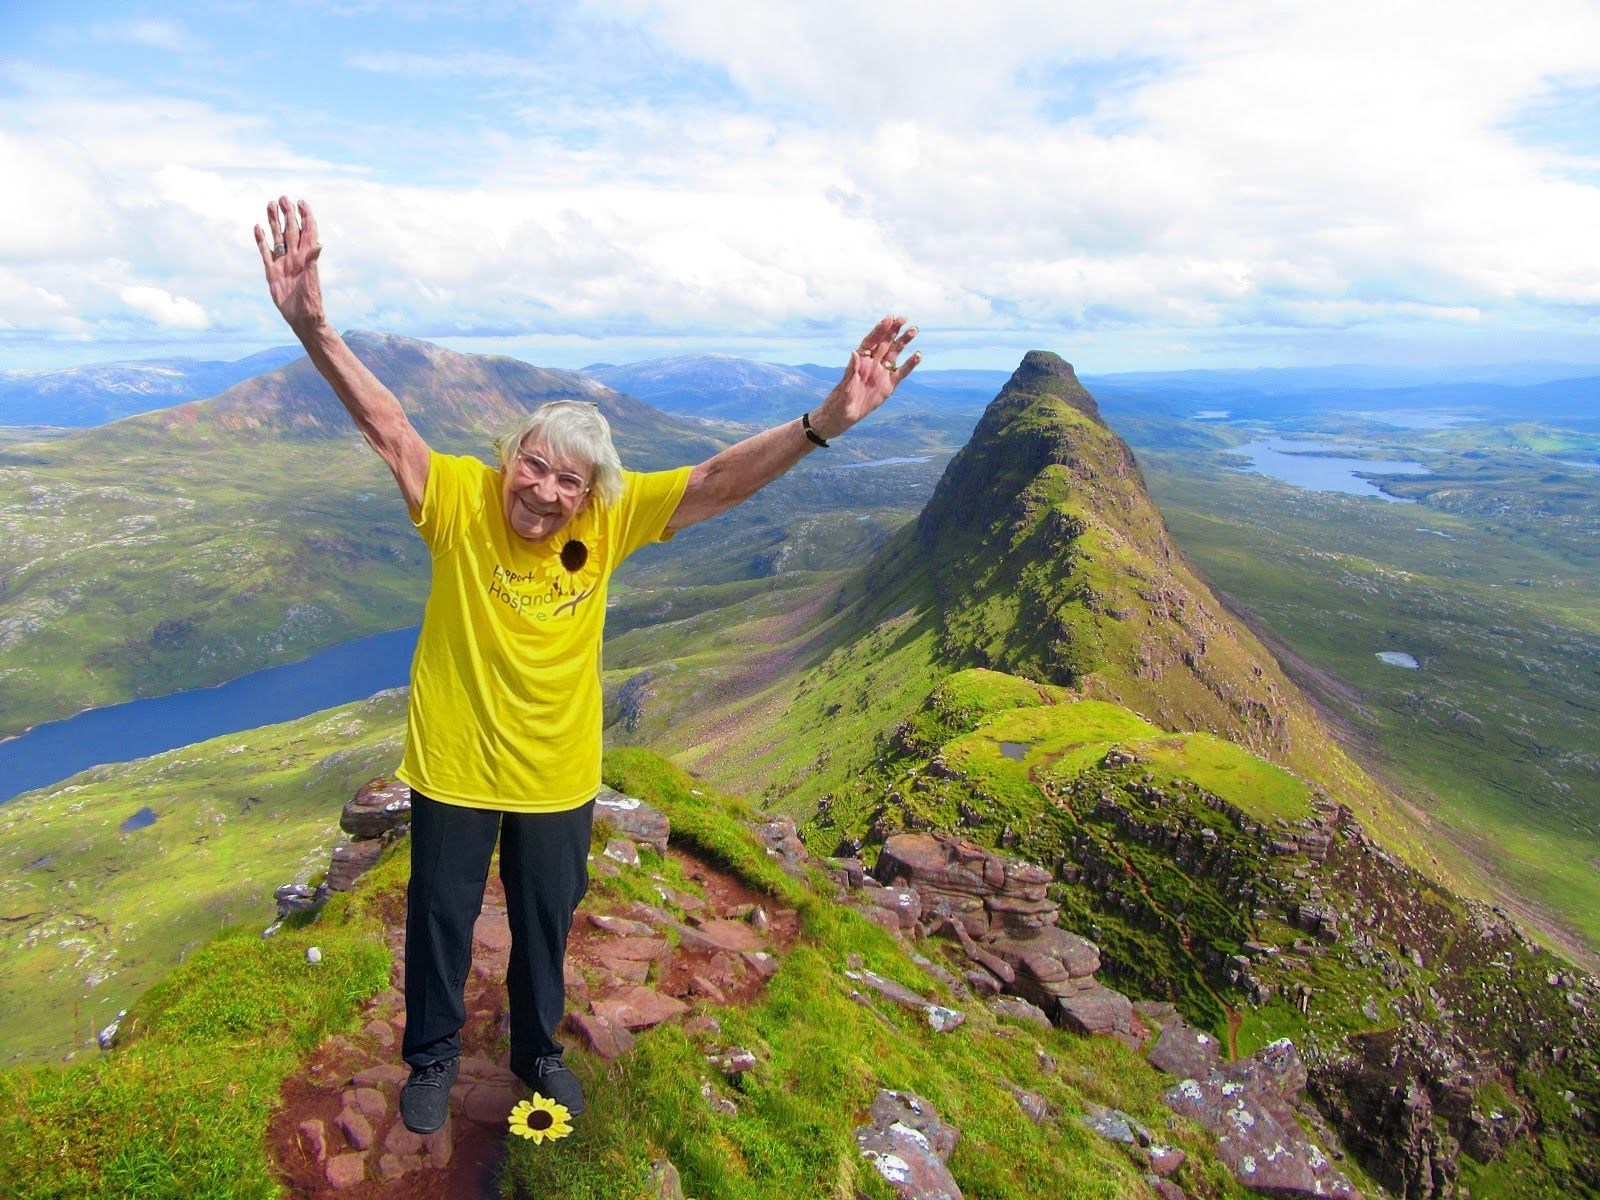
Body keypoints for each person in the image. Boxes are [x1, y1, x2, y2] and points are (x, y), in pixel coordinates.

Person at [255, 195, 919, 1135]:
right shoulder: (457, 498)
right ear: (509, 459)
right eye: (535, 465)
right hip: (454, 764)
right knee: (442, 919)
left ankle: (536, 1053)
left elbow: (715, 480)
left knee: (543, 927)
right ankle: (434, 1056)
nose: (546, 489)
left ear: (590, 494)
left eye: (569, 479)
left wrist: (826, 423)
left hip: (558, 774)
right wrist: (313, 324)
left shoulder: (609, 522)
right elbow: (390, 422)